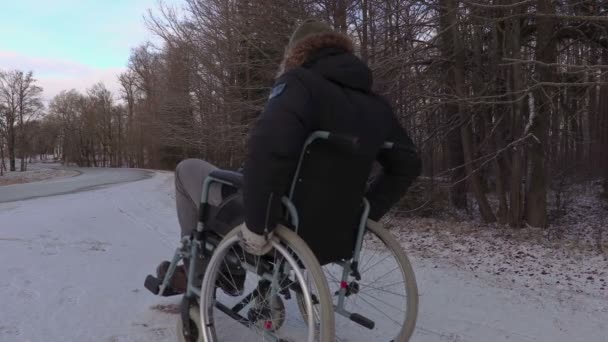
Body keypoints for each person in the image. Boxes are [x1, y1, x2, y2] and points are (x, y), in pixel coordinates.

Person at [156, 19, 421, 293]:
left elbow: (269, 150)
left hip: (277, 223)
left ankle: (196, 270)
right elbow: (408, 165)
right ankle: (223, 267)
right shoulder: (377, 105)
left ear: (297, 53)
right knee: (235, 174)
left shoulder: (299, 83)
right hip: (334, 234)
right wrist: (362, 216)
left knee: (186, 170)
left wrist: (258, 227)